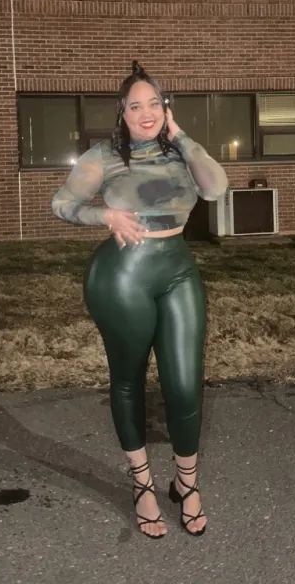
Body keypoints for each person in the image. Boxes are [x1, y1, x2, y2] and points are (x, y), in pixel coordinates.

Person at [51, 61, 228, 539]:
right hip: (122, 277)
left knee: (185, 384)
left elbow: (216, 188)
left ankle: (186, 484)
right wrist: (105, 217)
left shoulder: (180, 153)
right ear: (122, 112)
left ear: (165, 109)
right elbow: (62, 203)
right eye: (135, 106)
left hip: (177, 270)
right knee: (128, 380)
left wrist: (181, 136)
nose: (145, 113)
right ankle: (142, 482)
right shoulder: (104, 156)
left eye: (154, 103)